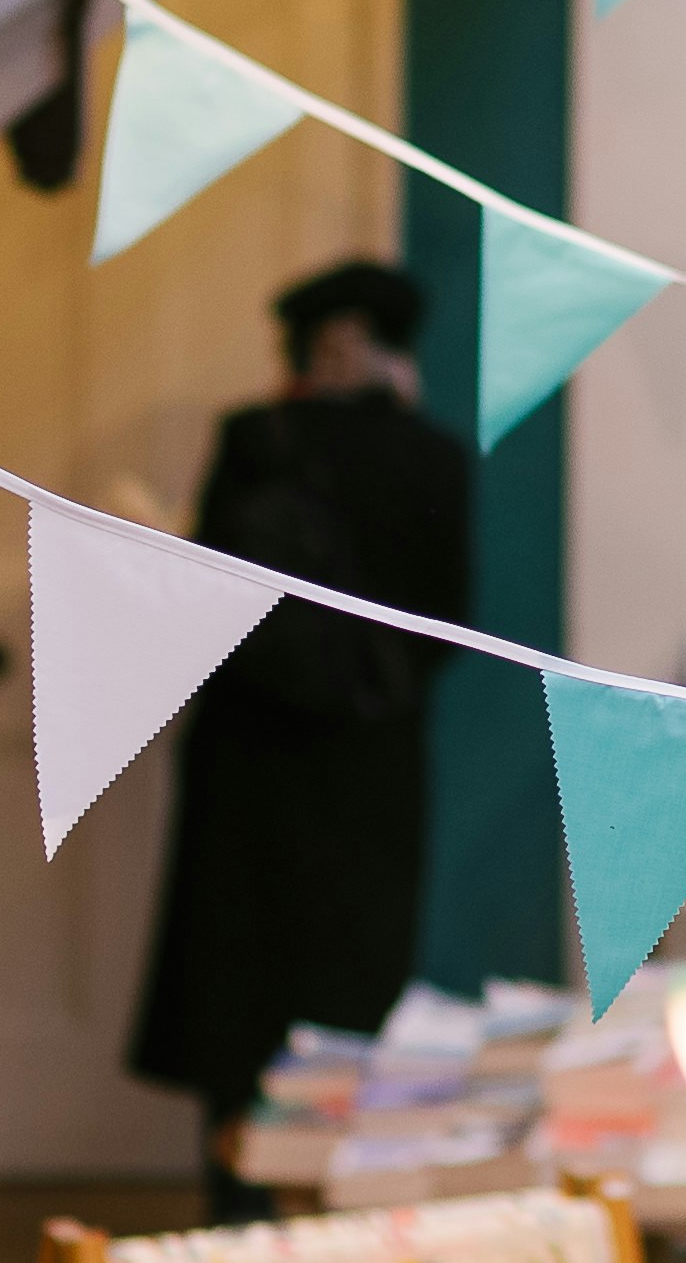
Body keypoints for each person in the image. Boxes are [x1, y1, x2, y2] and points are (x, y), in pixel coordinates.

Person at [126, 257, 482, 1141]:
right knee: (353, 981)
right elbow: (454, 620)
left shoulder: (253, 439)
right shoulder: (435, 459)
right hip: (373, 760)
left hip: (250, 754)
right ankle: (334, 1196)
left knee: (236, 982)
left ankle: (231, 1193)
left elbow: (202, 601)